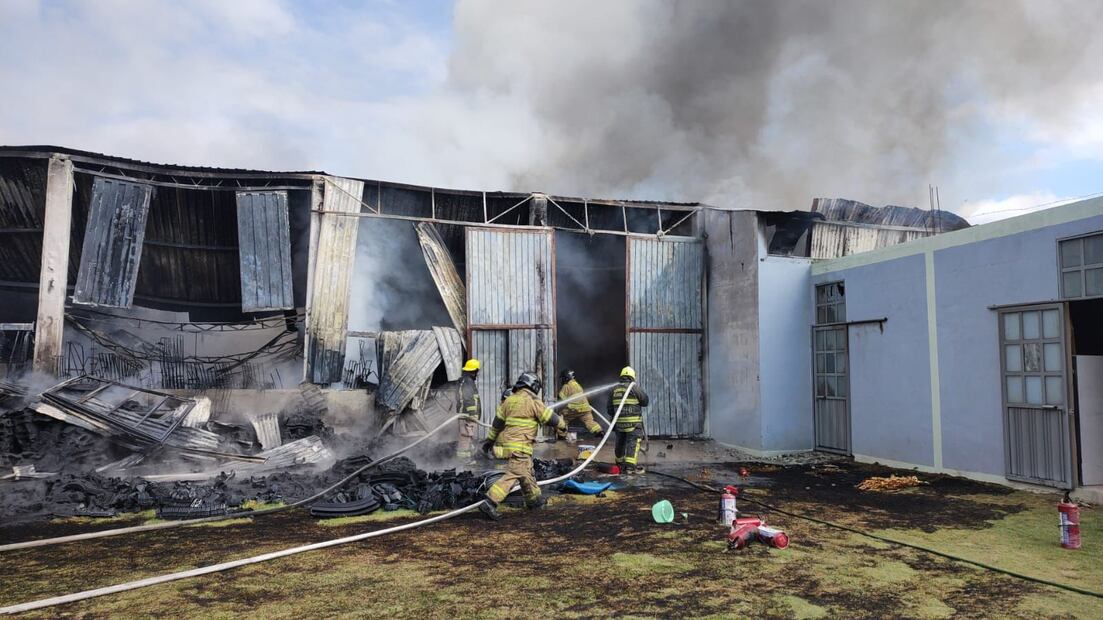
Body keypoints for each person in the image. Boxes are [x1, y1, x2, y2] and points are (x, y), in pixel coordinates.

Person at [479, 371, 566, 520]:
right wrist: (563, 425)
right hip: (521, 446)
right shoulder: (533, 401)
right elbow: (550, 418)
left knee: (526, 473)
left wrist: (489, 441)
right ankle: (490, 501)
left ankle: (534, 502)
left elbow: (497, 424)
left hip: (510, 446)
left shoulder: (509, 401)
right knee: (514, 474)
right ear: (534, 386)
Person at [608, 366, 649, 474]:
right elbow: (645, 401)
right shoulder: (634, 388)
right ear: (632, 377)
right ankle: (630, 468)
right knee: (633, 443)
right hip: (633, 424)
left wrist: (618, 417)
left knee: (620, 443)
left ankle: (619, 465)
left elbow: (609, 408)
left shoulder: (614, 389)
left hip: (619, 425)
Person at [556, 368, 602, 439]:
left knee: (563, 419)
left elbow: (561, 399)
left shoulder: (566, 386)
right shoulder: (577, 385)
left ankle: (561, 435)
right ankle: (599, 432)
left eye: (563, 378)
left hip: (573, 410)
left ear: (566, 377)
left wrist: (559, 410)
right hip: (585, 409)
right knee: (589, 421)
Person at [455, 358, 481, 463]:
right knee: (465, 438)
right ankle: (464, 462)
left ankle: (467, 460)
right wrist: (471, 415)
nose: (477, 374)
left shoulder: (464, 381)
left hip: (465, 415)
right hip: (467, 416)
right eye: (476, 371)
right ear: (473, 371)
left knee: (467, 438)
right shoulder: (468, 382)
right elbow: (468, 399)